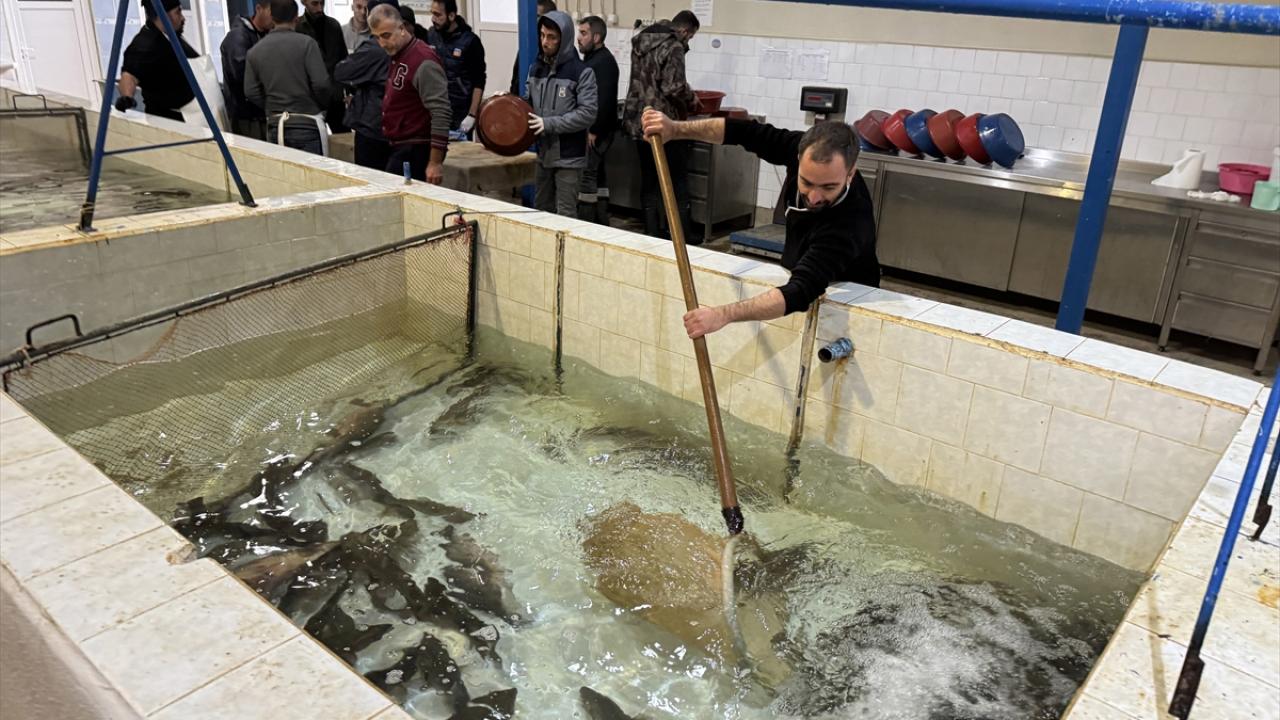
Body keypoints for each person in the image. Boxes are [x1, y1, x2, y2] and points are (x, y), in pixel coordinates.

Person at [641, 109, 880, 338]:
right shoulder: (801, 147)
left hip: (850, 293)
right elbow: (742, 132)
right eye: (806, 182)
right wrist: (675, 129)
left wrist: (722, 315)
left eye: (828, 187)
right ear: (799, 158)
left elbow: (800, 292)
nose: (814, 197)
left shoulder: (850, 222)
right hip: (801, 270)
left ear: (850, 174)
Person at [622, 10, 700, 242]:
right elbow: (673, 87)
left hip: (640, 120)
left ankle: (652, 232)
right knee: (677, 179)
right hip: (664, 123)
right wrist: (692, 98)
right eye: (691, 37)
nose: (688, 43)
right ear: (685, 31)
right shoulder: (674, 46)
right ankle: (684, 235)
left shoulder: (642, 40)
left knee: (649, 179)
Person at [523, 10, 597, 218]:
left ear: (564, 40)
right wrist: (508, 104)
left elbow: (587, 113)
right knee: (541, 212)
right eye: (542, 35)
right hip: (543, 154)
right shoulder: (535, 68)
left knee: (565, 215)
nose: (545, 42)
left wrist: (549, 124)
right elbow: (527, 103)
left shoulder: (582, 72)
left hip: (569, 157)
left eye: (552, 37)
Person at [368, 2, 451, 183]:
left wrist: (435, 162)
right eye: (377, 37)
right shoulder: (398, 55)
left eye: (386, 35)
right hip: (397, 145)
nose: (382, 43)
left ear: (402, 28)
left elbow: (441, 111)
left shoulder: (423, 60)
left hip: (416, 149)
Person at [244, 0, 332, 155]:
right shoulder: (307, 45)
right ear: (296, 18)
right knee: (314, 177)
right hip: (308, 122)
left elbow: (250, 91)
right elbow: (321, 84)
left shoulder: (255, 51)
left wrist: (271, 105)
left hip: (275, 125)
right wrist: (319, 105)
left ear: (271, 16)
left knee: (283, 178)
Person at [335, 0, 395, 171]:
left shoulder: (374, 47)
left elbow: (341, 71)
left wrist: (363, 78)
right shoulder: (413, 45)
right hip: (399, 127)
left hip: (373, 125)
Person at [116, 0, 199, 122]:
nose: (183, 18)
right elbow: (129, 76)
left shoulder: (171, 36)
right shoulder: (144, 45)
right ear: (163, 16)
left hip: (194, 115)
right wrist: (127, 97)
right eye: (178, 12)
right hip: (173, 122)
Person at [575, 15, 618, 224]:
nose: (578, 38)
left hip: (597, 131)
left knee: (588, 176)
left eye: (584, 33)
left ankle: (587, 223)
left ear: (597, 37)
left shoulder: (603, 62)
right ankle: (602, 221)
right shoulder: (594, 60)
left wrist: (593, 129)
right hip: (598, 129)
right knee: (598, 175)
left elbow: (605, 99)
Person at [426, 0, 486, 137]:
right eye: (432, 14)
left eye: (438, 15)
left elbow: (479, 80)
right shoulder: (431, 36)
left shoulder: (470, 42)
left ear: (451, 16)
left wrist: (472, 114)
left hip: (460, 114)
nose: (433, 19)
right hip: (436, 112)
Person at [221, 0, 274, 140]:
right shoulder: (238, 37)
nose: (275, 18)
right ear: (258, 9)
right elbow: (242, 76)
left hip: (261, 114)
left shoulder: (266, 35)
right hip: (247, 118)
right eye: (272, 12)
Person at [297, 0, 349, 131]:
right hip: (310, 98)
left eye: (322, 3)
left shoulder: (333, 25)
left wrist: (348, 91)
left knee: (343, 141)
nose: (320, 8)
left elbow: (344, 59)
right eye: (314, 4)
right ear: (304, 2)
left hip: (335, 96)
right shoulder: (297, 28)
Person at [508, 0, 556, 95]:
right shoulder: (526, 46)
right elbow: (516, 79)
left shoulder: (559, 50)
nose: (534, 21)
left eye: (538, 17)